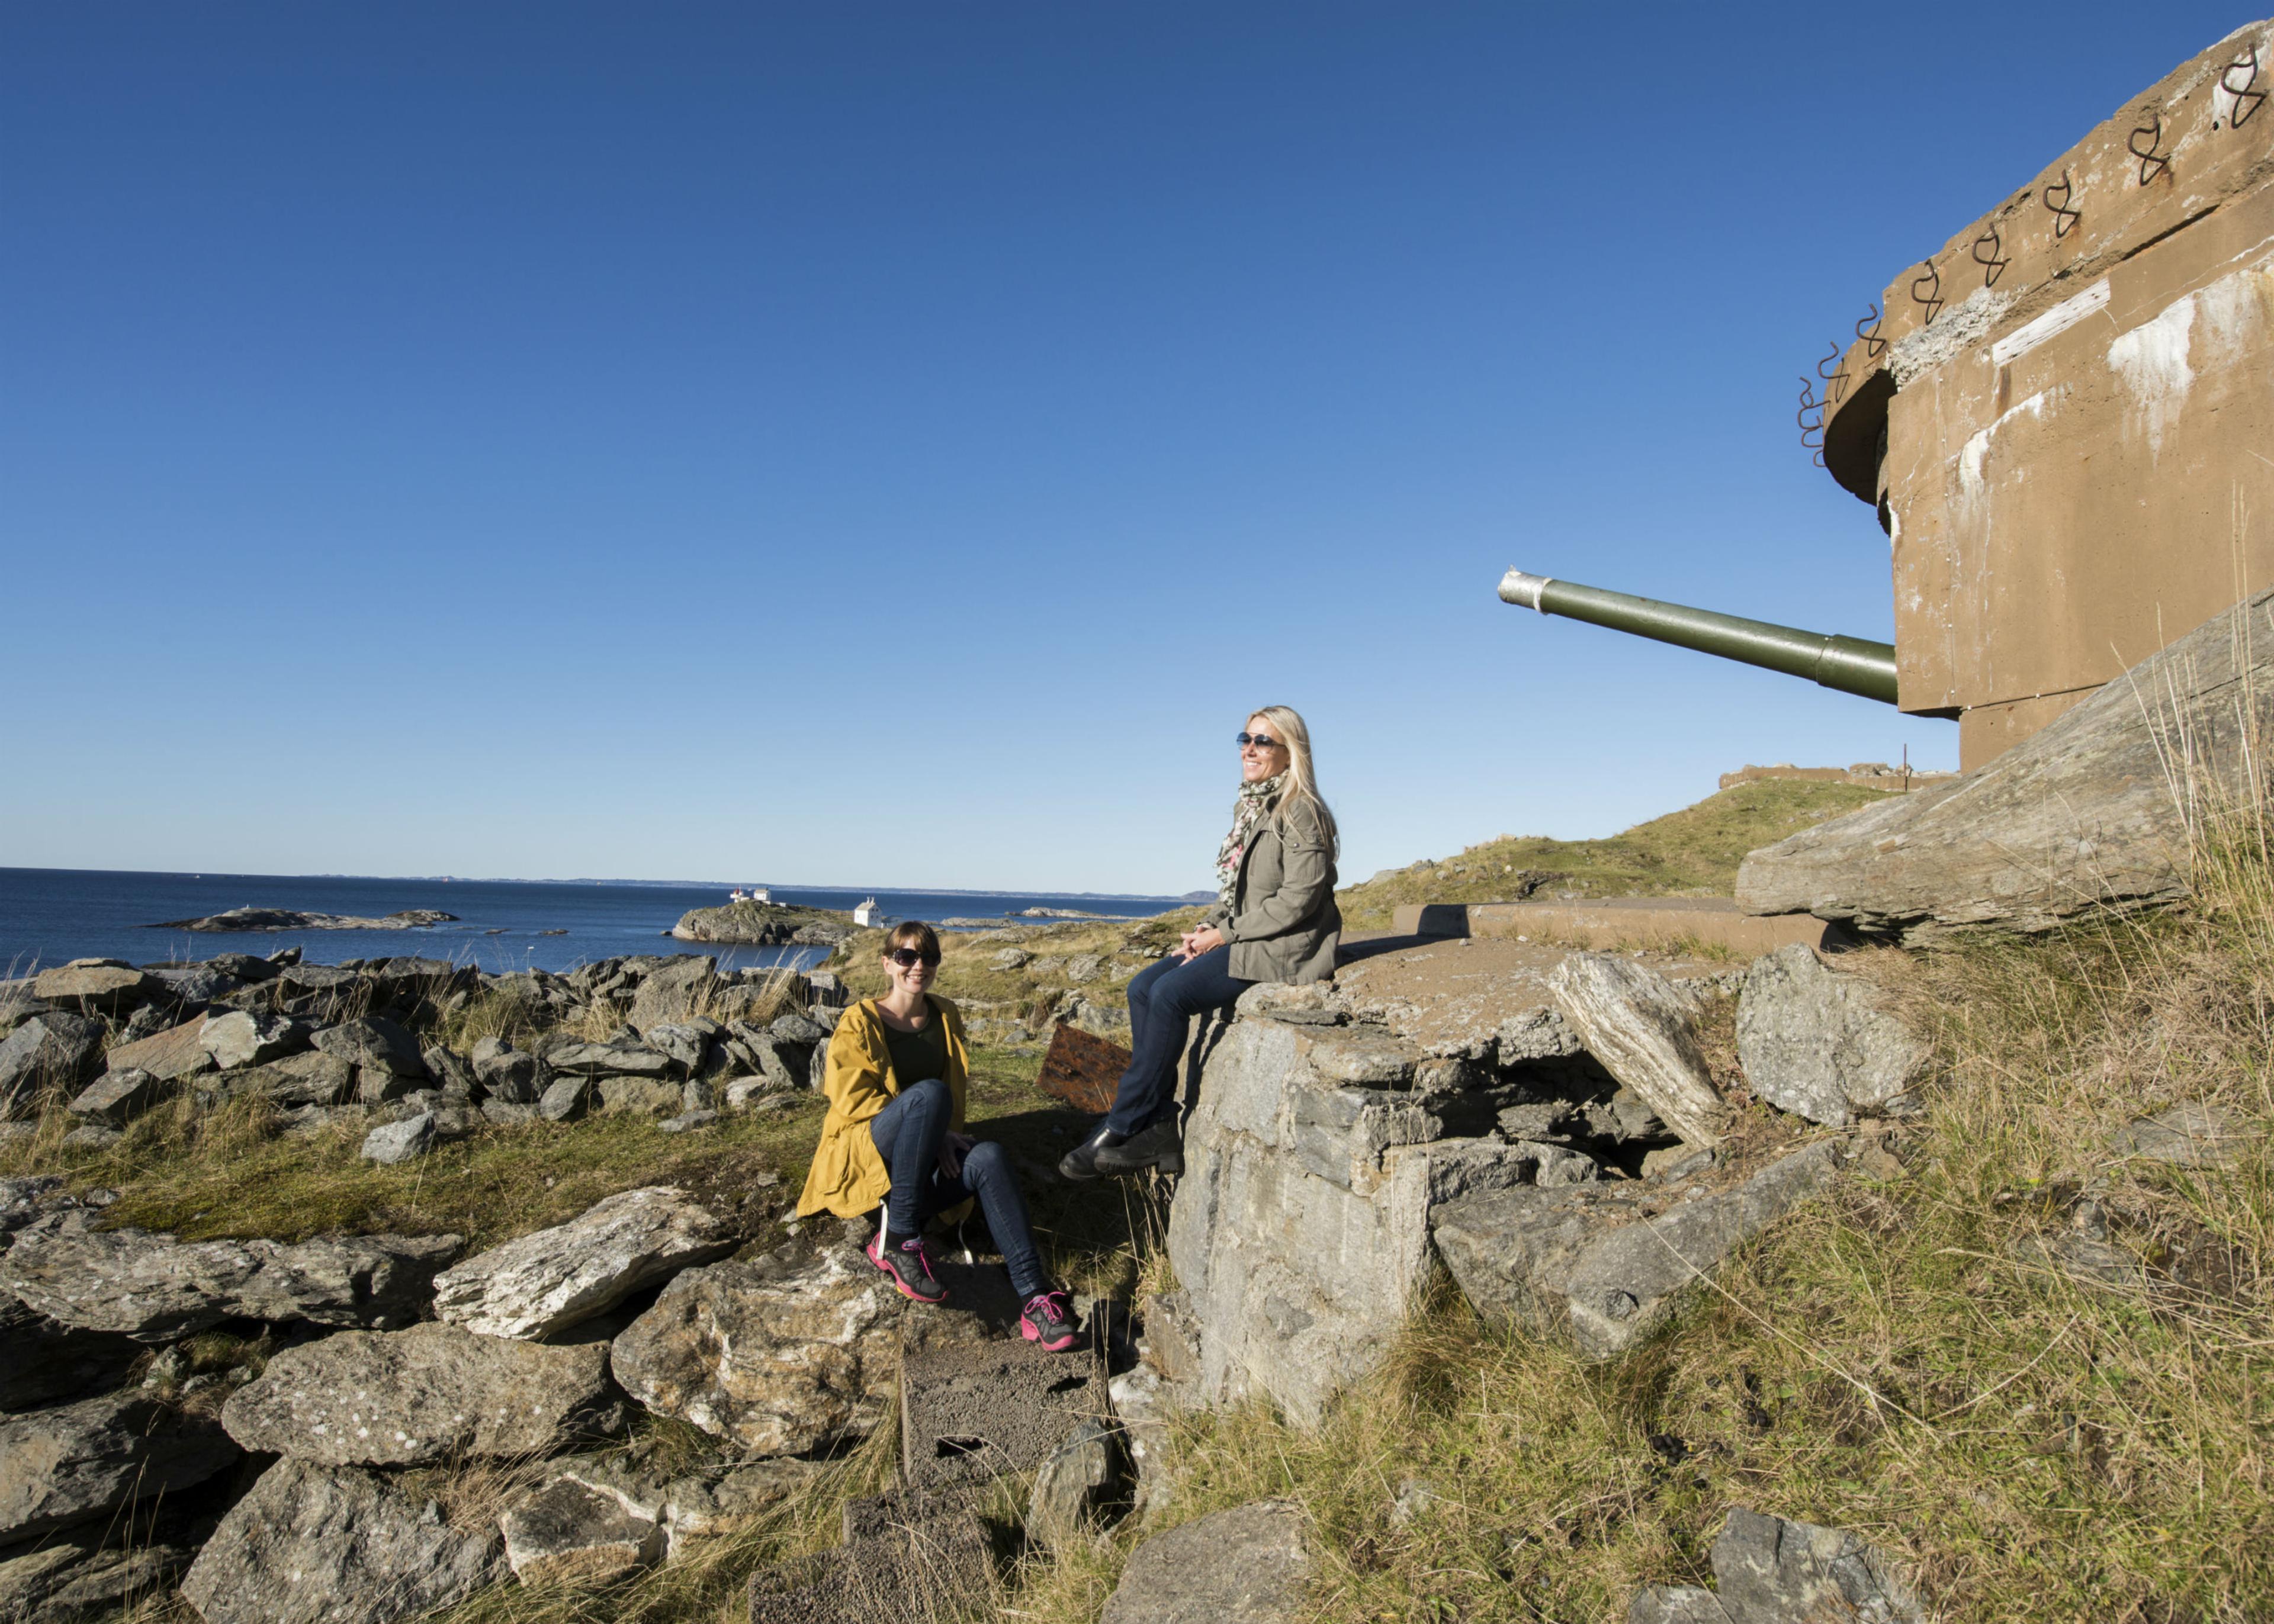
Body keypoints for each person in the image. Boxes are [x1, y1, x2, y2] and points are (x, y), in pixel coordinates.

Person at [1060, 705, 1340, 1179]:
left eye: (1263, 741)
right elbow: (1237, 893)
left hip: (1286, 946)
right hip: (1248, 934)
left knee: (1170, 995)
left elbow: (1298, 901)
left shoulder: (1301, 811)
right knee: (1142, 987)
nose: (1249, 749)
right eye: (1245, 739)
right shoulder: (1252, 806)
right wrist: (1204, 929)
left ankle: (1122, 1124)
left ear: (1290, 752)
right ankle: (1159, 1123)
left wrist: (1223, 935)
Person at [795, 920, 1081, 1350]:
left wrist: (940, 1131)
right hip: (870, 1155)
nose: (918, 966)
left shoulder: (945, 1014)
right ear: (887, 963)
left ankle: (1034, 1299)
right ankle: (899, 1240)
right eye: (907, 956)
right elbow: (850, 1097)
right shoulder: (860, 1020)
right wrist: (928, 1119)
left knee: (989, 1157)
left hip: (921, 1164)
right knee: (930, 1095)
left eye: (929, 957)